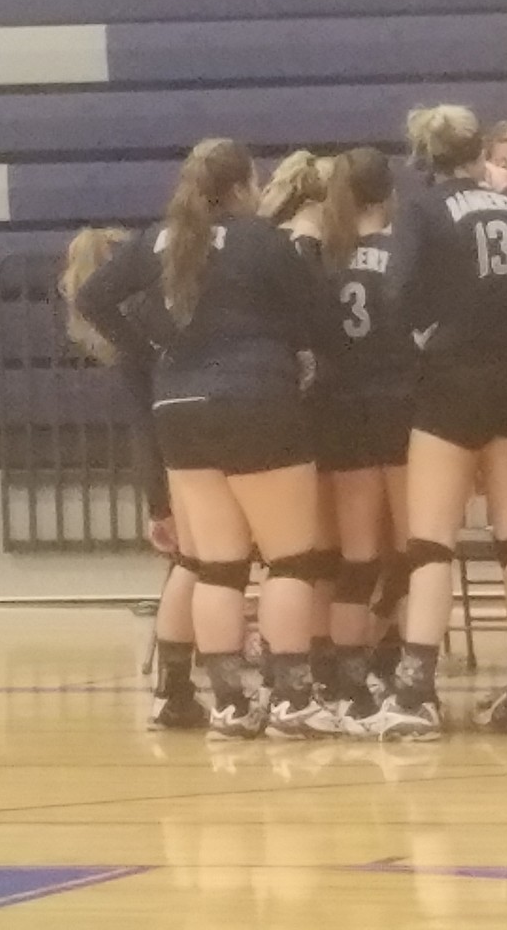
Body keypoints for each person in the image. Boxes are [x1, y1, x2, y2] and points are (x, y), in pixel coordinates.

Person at [77, 137, 341, 740]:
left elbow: (93, 296)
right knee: (290, 560)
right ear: (244, 186)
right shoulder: (259, 238)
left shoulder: (158, 238)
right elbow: (323, 315)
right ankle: (293, 701)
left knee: (216, 567)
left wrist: (156, 349)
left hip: (178, 405)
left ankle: (227, 704)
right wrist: (293, 346)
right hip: (255, 399)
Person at [354, 104, 507, 740]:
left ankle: (414, 693)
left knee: (432, 541)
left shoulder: (423, 210)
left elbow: (395, 292)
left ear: (425, 158)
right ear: (477, 151)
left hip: (451, 378)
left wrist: (430, 333)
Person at [61, 228, 205, 731]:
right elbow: (147, 425)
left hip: (172, 455)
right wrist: (157, 501)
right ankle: (195, 674)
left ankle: (179, 680)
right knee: (208, 562)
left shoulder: (135, 337)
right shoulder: (150, 336)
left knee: (199, 563)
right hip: (187, 453)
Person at [305, 147, 416, 730]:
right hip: (399, 407)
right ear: (388, 193)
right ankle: (407, 678)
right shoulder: (402, 254)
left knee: (356, 559)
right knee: (417, 554)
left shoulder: (326, 259)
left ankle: (351, 690)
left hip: (340, 410)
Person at [259, 151, 343, 699]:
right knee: (304, 548)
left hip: (298, 403)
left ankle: (307, 655)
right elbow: (316, 326)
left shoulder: (273, 238)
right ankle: (303, 659)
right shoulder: (301, 243)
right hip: (308, 407)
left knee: (308, 547)